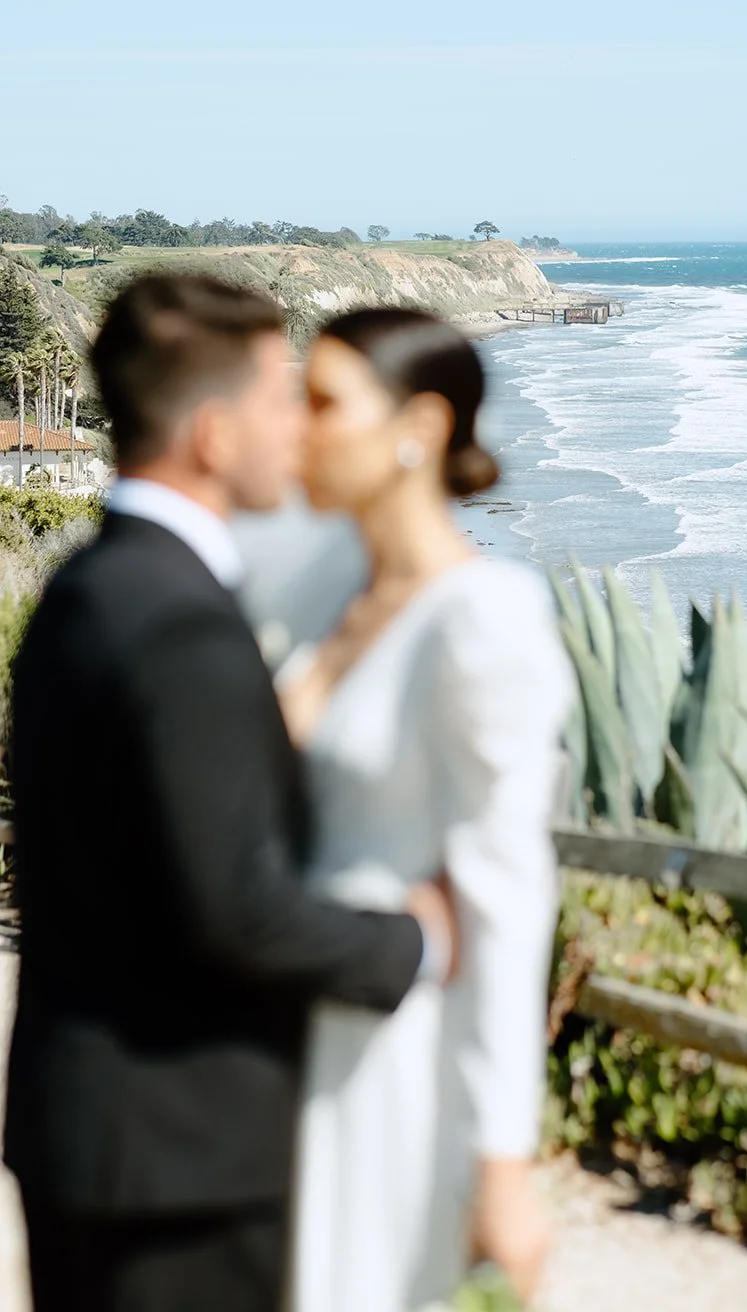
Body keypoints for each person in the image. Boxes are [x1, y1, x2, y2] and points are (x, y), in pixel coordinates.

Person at [3, 274, 455, 1312]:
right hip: (180, 1157)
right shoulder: (181, 624)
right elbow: (234, 908)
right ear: (212, 434)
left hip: (96, 1128)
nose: (294, 427)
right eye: (275, 399)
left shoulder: (87, 588)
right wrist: (419, 940)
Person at [281, 308, 573, 1311]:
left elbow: (506, 895)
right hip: (280, 1038)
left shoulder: (483, 618)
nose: (295, 427)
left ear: (421, 425)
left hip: (395, 1055)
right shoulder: (321, 592)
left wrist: (502, 1163)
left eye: (321, 403)